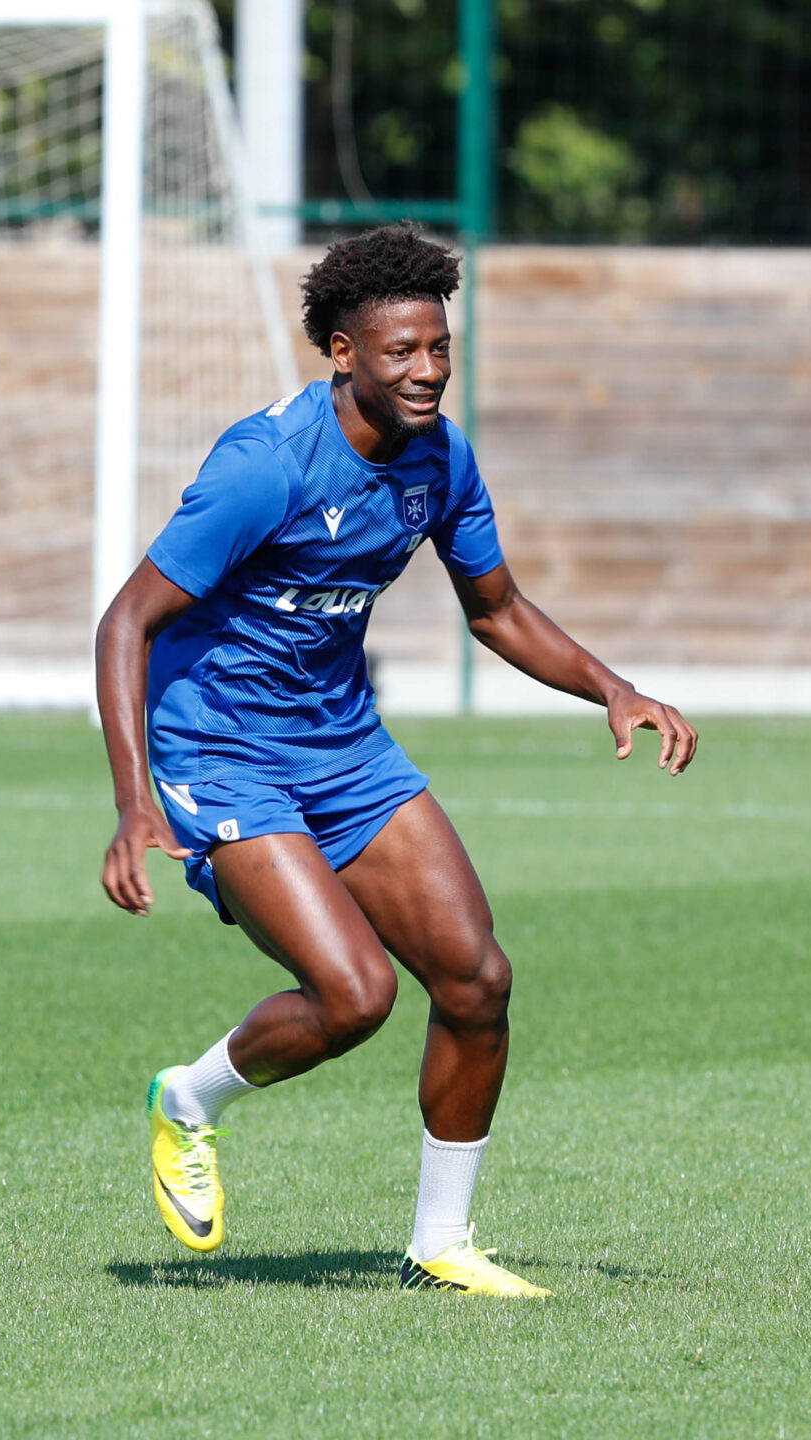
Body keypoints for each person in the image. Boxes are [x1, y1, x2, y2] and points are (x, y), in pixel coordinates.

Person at [96, 225, 697, 1297]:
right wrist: (134, 802)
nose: (425, 372)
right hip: (223, 750)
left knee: (476, 979)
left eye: (438, 348)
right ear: (341, 353)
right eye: (399, 353)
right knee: (354, 995)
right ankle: (187, 1101)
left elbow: (497, 610)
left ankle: (441, 1244)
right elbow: (125, 622)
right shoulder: (264, 467)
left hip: (342, 745)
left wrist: (615, 688)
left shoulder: (440, 456)